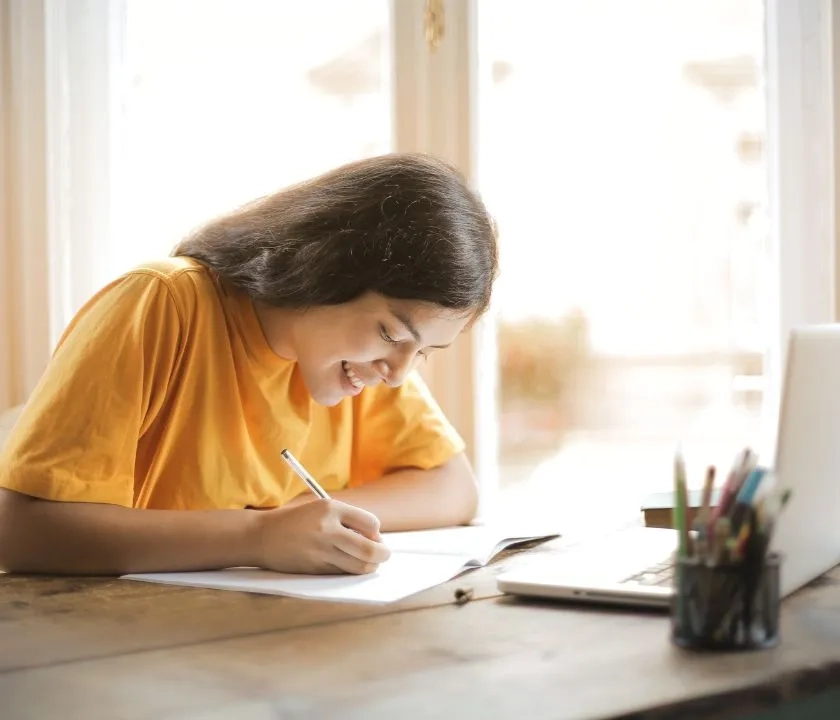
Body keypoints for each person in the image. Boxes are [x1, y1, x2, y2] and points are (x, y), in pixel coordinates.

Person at [0, 153, 498, 578]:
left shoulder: (361, 365)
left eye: (424, 352)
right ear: (325, 268)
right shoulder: (163, 302)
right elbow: (21, 531)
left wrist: (304, 518)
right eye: (391, 334)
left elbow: (454, 488)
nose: (398, 373)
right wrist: (257, 535)